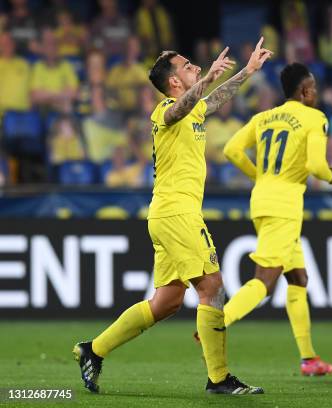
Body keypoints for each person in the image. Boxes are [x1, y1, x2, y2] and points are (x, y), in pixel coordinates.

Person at [72, 37, 272, 395]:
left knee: (167, 301)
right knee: (211, 287)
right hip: (176, 212)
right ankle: (219, 378)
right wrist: (207, 78)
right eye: (186, 65)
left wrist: (247, 71)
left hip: (168, 213)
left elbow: (209, 103)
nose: (194, 65)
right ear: (175, 81)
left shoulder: (193, 106)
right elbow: (179, 110)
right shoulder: (164, 108)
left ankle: (93, 349)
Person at [222, 63, 332, 376]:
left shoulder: (264, 117)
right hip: (284, 207)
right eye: (312, 88)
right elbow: (316, 165)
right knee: (265, 281)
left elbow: (232, 150)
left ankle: (308, 358)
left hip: (261, 199)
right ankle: (215, 322)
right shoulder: (315, 118)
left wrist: (258, 175)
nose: (316, 93)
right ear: (303, 91)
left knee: (298, 278)